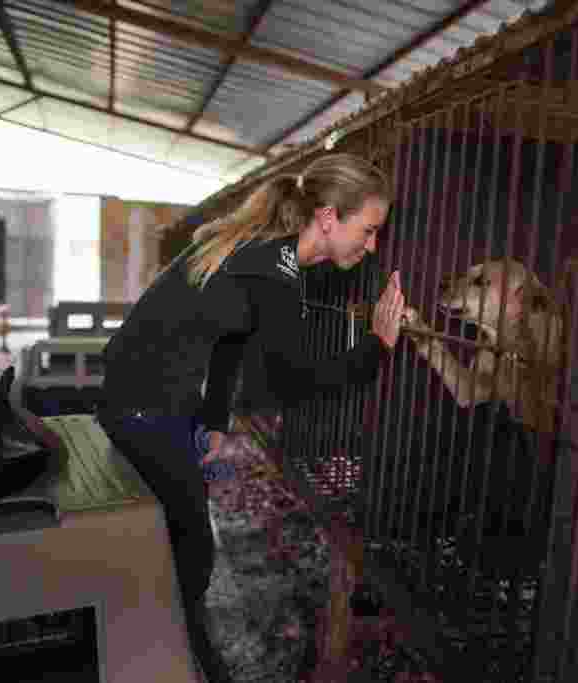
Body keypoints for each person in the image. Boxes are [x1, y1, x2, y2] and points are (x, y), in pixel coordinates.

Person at [94, 153, 405, 683]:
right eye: (369, 230)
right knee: (189, 555)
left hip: (142, 401)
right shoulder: (276, 268)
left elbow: (228, 341)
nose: (372, 244)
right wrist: (377, 346)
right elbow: (294, 378)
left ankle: (180, 654)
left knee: (183, 547)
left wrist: (214, 417)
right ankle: (182, 664)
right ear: (329, 219)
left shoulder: (269, 256)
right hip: (146, 411)